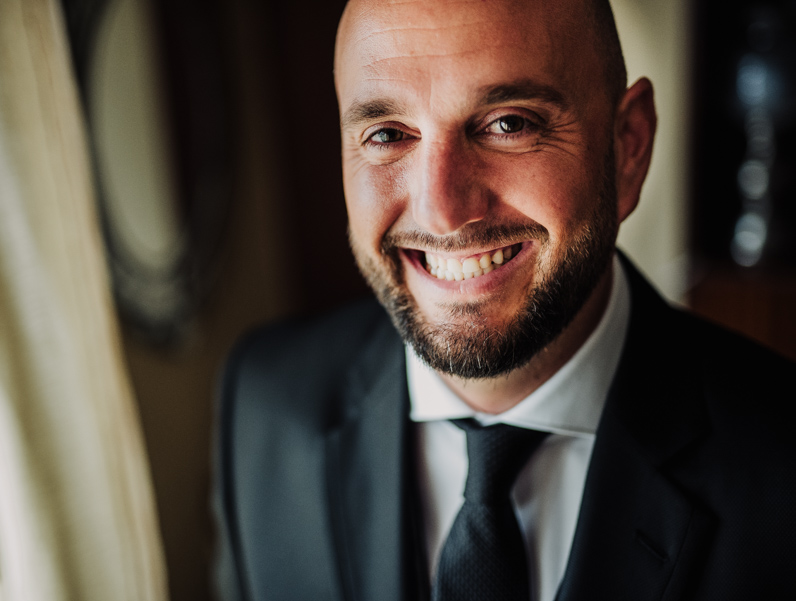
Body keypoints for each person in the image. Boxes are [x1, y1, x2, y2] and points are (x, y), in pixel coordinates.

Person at [214, 0, 796, 599]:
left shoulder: (783, 471)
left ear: (628, 146)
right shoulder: (261, 403)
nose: (441, 211)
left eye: (508, 124)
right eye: (387, 134)